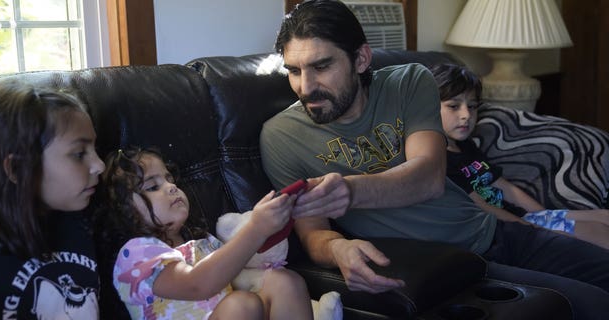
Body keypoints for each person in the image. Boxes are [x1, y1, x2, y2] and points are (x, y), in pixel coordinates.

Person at [259, 0, 609, 317]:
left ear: (361, 58)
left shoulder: (409, 82)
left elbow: (427, 176)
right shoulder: (281, 137)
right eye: (294, 70)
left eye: (321, 66)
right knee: (593, 303)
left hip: (492, 229)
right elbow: (313, 234)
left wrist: (349, 191)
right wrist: (338, 250)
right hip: (448, 264)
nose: (306, 87)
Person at [94, 147, 313, 320]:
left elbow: (237, 276)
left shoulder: (201, 243)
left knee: (284, 282)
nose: (171, 187)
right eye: (152, 187)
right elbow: (197, 284)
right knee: (241, 305)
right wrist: (256, 229)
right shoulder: (136, 256)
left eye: (170, 179)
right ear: (123, 211)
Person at [432, 63, 609, 250]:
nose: (466, 115)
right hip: (509, 228)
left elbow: (505, 186)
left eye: (472, 106)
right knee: (595, 232)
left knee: (604, 216)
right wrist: (533, 227)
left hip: (525, 217)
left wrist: (545, 214)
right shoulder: (441, 160)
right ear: (429, 108)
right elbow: (481, 206)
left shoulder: (467, 146)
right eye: (454, 106)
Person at [0, 79, 105, 319]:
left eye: (94, 149)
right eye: (79, 154)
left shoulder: (89, 215)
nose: (99, 165)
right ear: (17, 169)